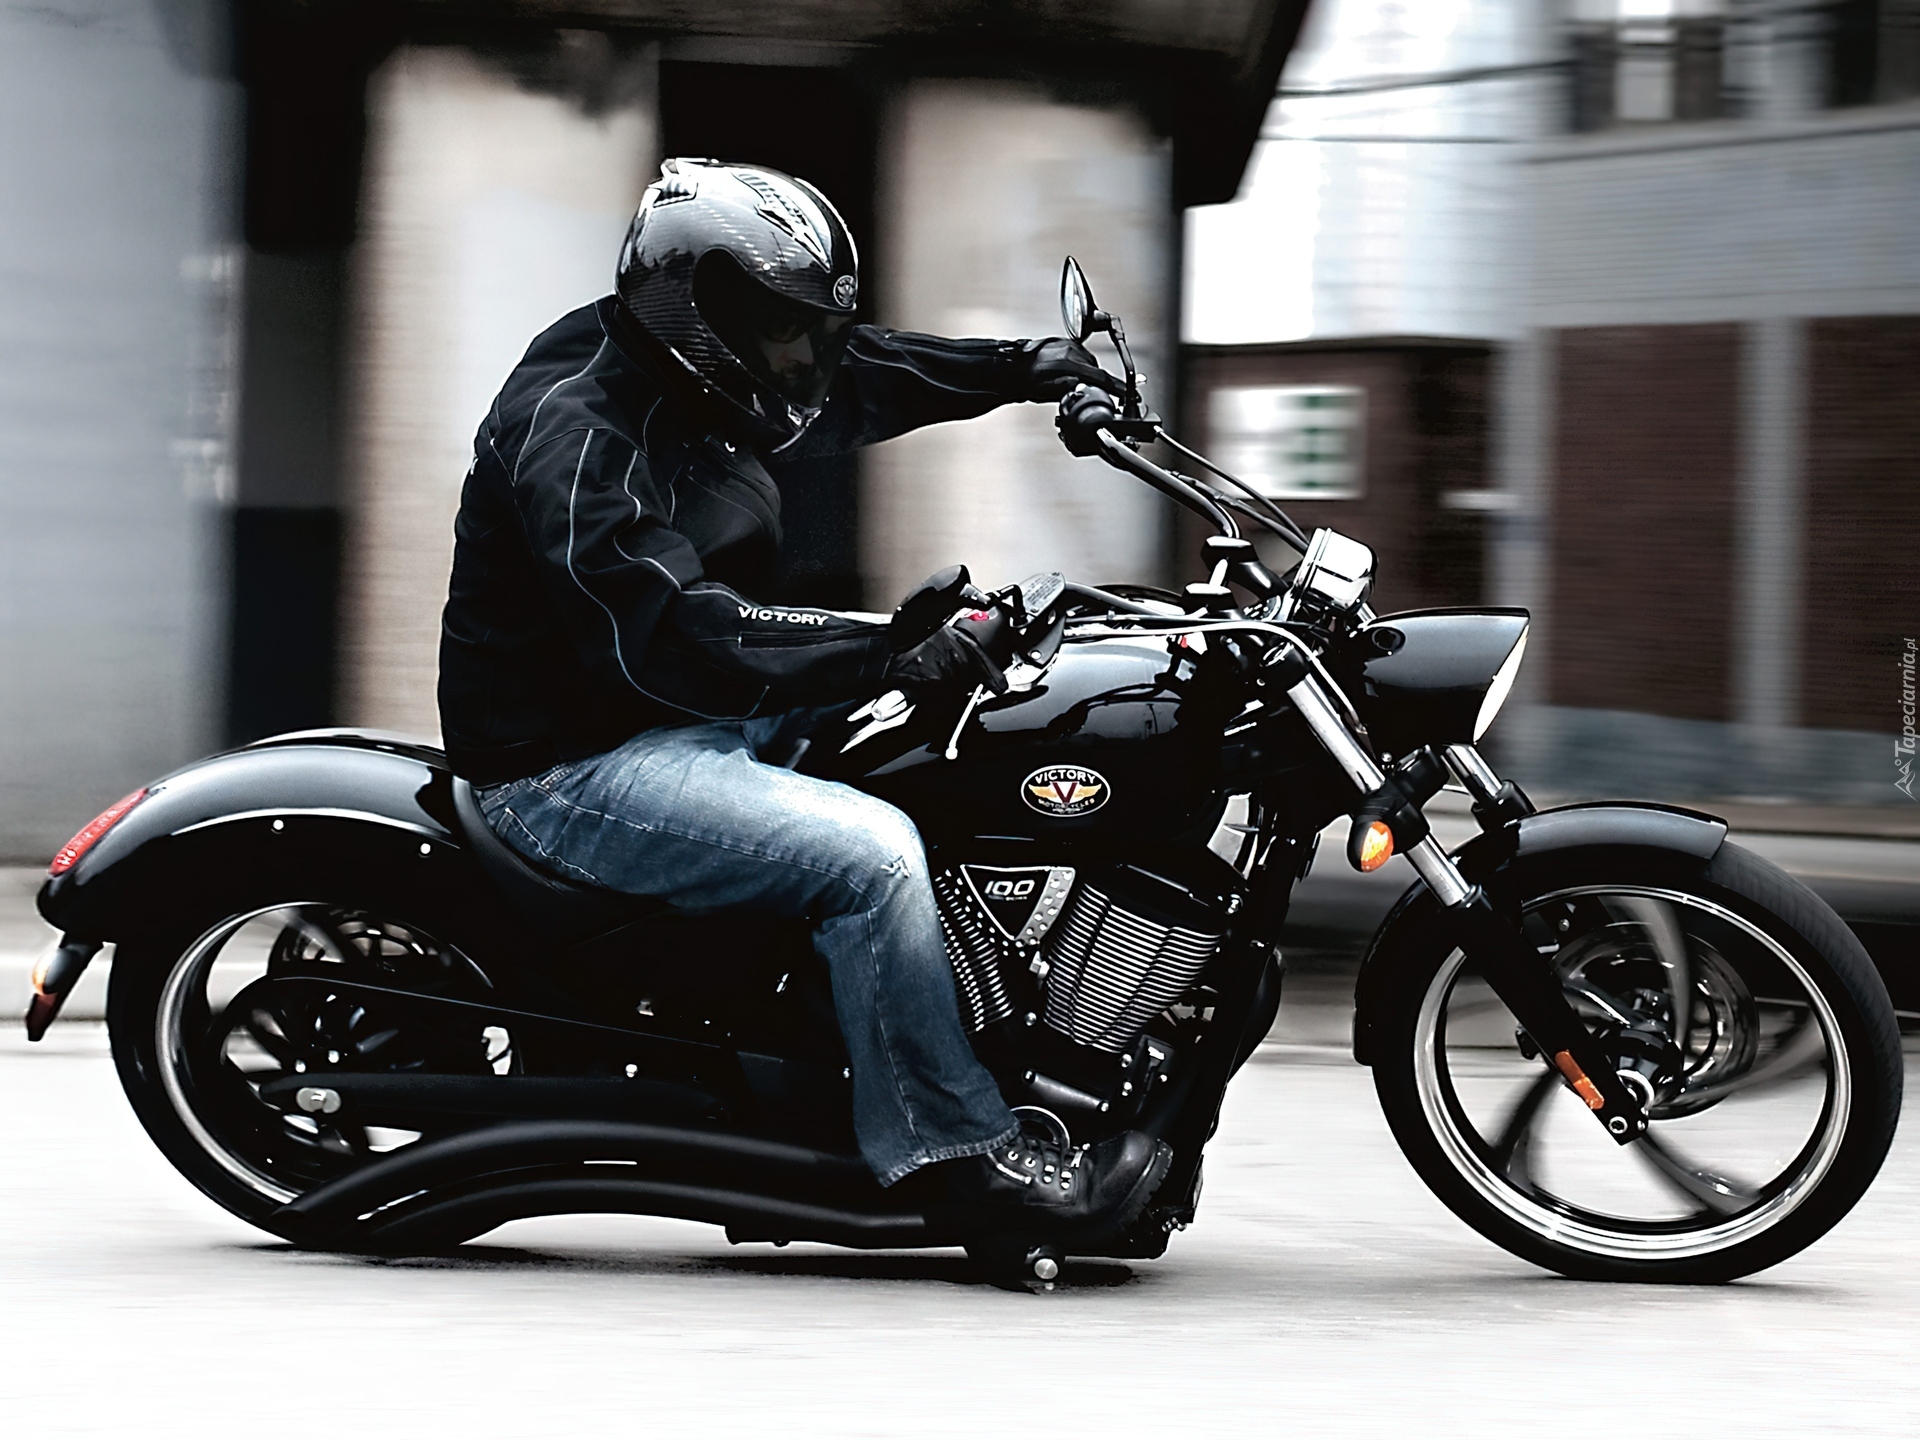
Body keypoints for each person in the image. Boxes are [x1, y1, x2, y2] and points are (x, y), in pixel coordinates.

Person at [438, 158, 1170, 1233]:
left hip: (686, 714)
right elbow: (671, 634)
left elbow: (860, 372)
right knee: (872, 859)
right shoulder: (580, 433)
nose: (802, 356)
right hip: (575, 763)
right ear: (698, 309)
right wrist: (888, 651)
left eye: (806, 330)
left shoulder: (694, 375)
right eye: (780, 328)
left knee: (954, 739)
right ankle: (959, 1154)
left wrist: (1025, 369)